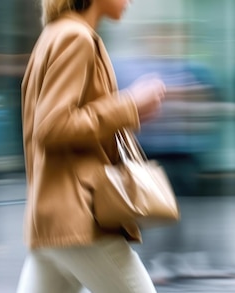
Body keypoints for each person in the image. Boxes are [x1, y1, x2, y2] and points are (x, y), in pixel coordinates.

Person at [16, 0, 173, 292]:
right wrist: (130, 106)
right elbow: (52, 126)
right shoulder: (76, 38)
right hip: (80, 221)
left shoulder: (54, 35)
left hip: (52, 223)